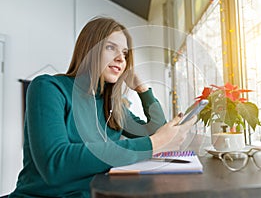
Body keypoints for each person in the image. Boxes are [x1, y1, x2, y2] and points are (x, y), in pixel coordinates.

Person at [9, 17, 196, 198]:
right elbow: (55, 164)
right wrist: (153, 143)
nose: (120, 59)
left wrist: (142, 89)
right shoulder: (48, 88)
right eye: (110, 47)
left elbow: (156, 130)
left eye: (125, 53)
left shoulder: (112, 106)